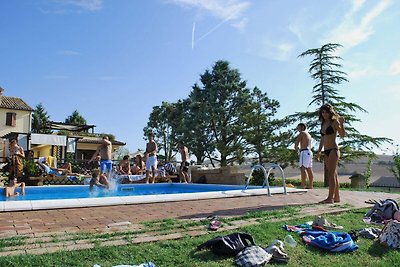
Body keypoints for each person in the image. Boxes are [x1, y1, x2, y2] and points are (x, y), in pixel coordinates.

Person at [317, 104, 345, 204]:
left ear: (330, 112)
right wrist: (319, 151)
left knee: (331, 174)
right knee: (334, 174)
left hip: (333, 149)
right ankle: (336, 197)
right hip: (326, 151)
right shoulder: (323, 123)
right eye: (323, 112)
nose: (324, 114)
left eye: (326, 112)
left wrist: (341, 125)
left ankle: (330, 198)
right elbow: (322, 138)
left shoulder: (334, 122)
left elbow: (342, 135)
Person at [294, 123, 314, 189]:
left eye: (298, 127)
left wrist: (296, 148)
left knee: (302, 168)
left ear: (302, 127)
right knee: (309, 169)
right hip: (309, 152)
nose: (297, 128)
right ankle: (310, 185)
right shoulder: (308, 134)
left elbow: (297, 142)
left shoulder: (302, 133)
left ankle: (302, 185)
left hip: (304, 151)